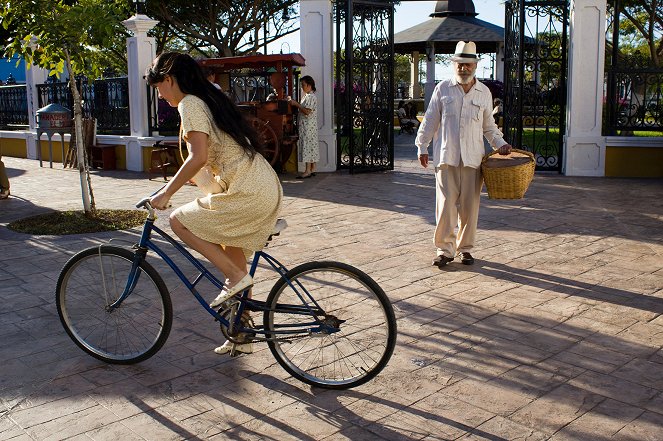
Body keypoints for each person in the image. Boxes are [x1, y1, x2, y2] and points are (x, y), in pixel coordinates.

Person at [145, 52, 283, 355]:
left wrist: (166, 193)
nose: (159, 93)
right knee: (232, 254)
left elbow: (199, 157)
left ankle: (235, 278)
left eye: (158, 87)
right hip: (259, 184)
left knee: (178, 220)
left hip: (247, 190)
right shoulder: (207, 99)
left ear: (168, 79)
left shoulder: (190, 104)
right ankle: (241, 331)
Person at [415, 41, 512, 267]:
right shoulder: (443, 89)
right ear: (454, 65)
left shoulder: (483, 92)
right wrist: (422, 146)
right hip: (446, 157)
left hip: (473, 159)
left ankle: (465, 249)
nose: (463, 68)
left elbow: (489, 126)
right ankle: (445, 250)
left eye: (468, 64)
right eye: (460, 64)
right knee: (446, 206)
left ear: (475, 66)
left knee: (470, 207)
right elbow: (430, 120)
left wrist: (501, 144)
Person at [287, 76, 319, 179]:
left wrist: (296, 104)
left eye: (303, 85)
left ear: (309, 85)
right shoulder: (308, 96)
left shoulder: (310, 97)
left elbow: (307, 112)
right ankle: (313, 168)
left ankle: (307, 170)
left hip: (308, 126)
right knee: (311, 146)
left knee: (307, 147)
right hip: (309, 126)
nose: (302, 87)